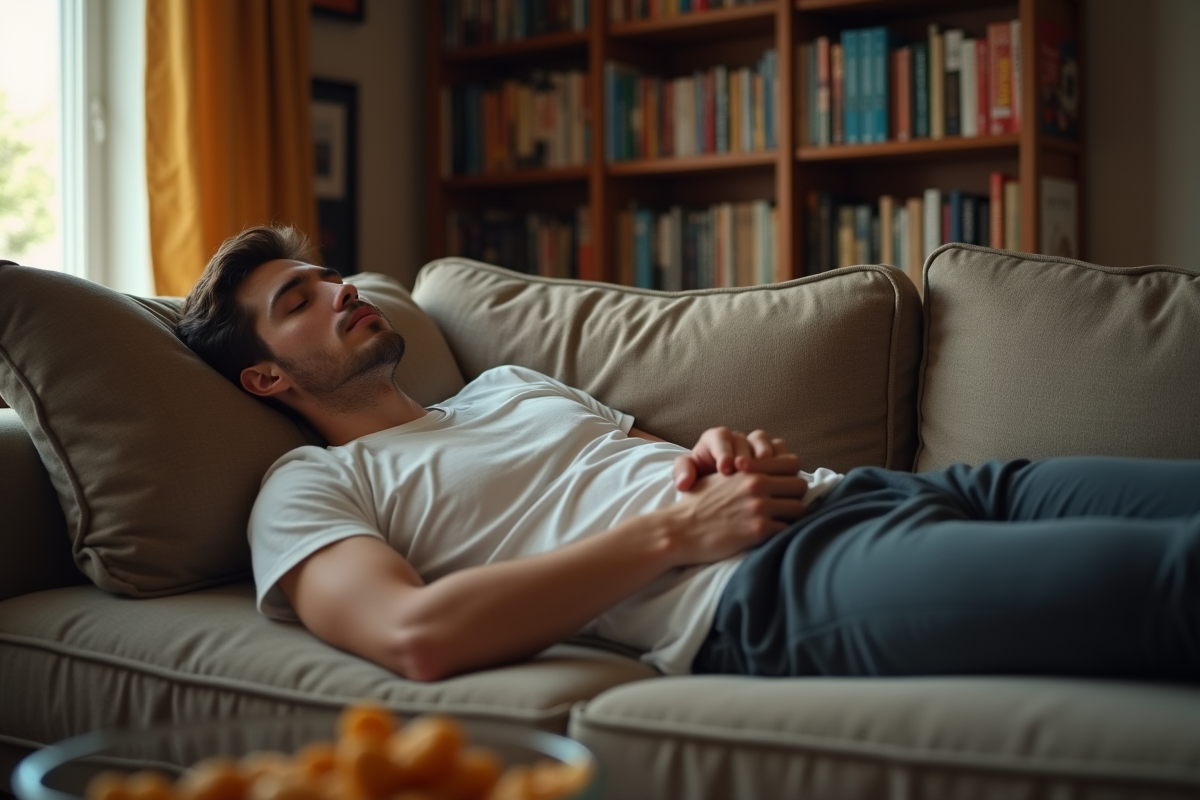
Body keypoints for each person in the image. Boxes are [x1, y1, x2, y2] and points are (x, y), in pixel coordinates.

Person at [178, 225, 1200, 683]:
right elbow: (415, 635)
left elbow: (646, 462)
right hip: (779, 589)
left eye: (326, 272)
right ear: (266, 378)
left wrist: (719, 454)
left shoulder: (505, 386)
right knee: (1173, 581)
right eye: (297, 301)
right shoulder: (314, 484)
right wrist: (682, 528)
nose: (338, 288)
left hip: (882, 494)